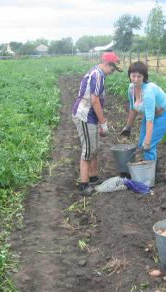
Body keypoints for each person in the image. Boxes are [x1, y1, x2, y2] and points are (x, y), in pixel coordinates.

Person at [72, 52, 122, 196]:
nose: (113, 72)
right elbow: (94, 101)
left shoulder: (100, 74)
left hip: (91, 116)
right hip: (85, 116)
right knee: (88, 150)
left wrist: (100, 122)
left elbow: (97, 101)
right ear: (107, 64)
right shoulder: (97, 75)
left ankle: (93, 177)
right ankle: (84, 184)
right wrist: (103, 122)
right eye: (113, 69)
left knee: (94, 148)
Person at [120, 61, 166, 161]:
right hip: (151, 113)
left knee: (148, 145)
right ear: (129, 75)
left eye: (139, 76)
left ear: (144, 77)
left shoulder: (148, 92)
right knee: (141, 142)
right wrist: (127, 127)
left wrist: (148, 142)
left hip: (165, 114)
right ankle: (147, 166)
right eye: (133, 76)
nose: (136, 79)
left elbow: (150, 120)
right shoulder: (131, 89)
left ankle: (150, 174)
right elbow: (133, 108)